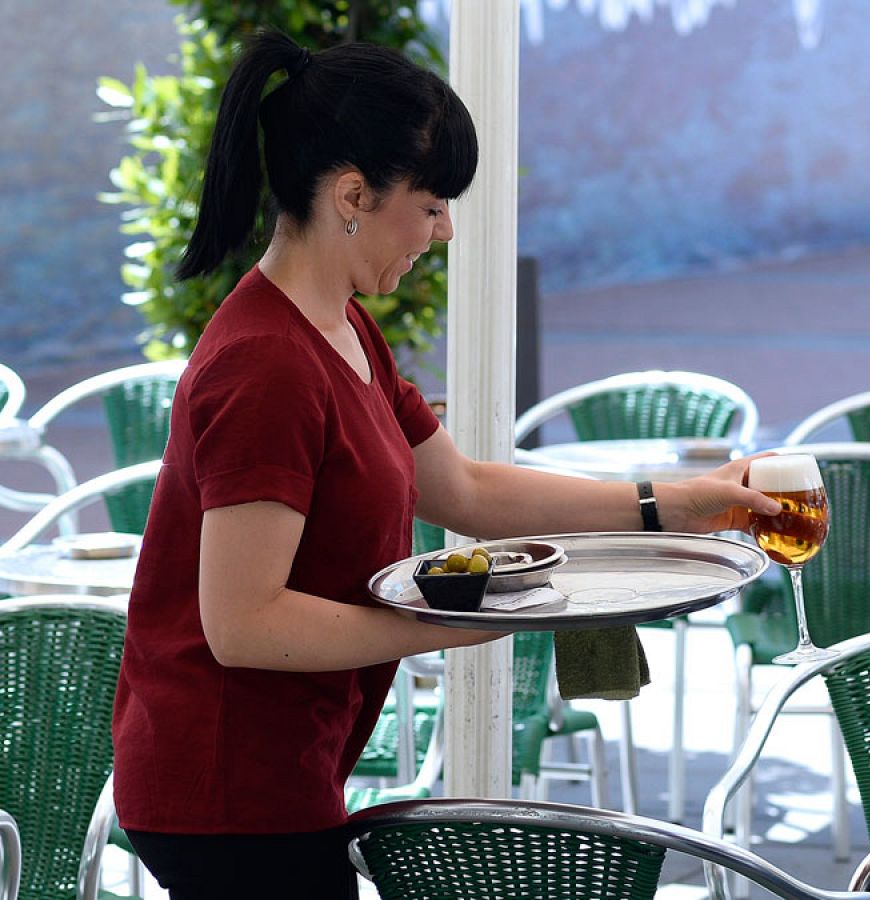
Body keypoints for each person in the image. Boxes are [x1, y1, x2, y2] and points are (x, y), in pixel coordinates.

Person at [109, 30, 779, 900]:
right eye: (430, 206)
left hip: (281, 769)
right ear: (353, 194)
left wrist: (672, 504)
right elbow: (244, 623)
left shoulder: (343, 331)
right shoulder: (266, 363)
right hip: (225, 785)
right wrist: (457, 627)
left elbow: (463, 487)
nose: (445, 230)